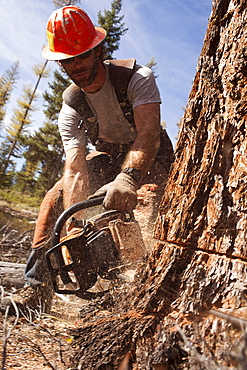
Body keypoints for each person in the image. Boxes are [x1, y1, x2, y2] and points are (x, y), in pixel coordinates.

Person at [1, 5, 174, 314]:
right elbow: (76, 167)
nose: (76, 65)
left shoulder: (136, 77)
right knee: (54, 198)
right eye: (68, 60)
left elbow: (149, 132)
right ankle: (36, 289)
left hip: (152, 159)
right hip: (109, 157)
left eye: (81, 55)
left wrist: (129, 179)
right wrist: (73, 227)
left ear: (98, 50)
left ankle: (133, 293)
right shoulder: (71, 105)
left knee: (142, 207)